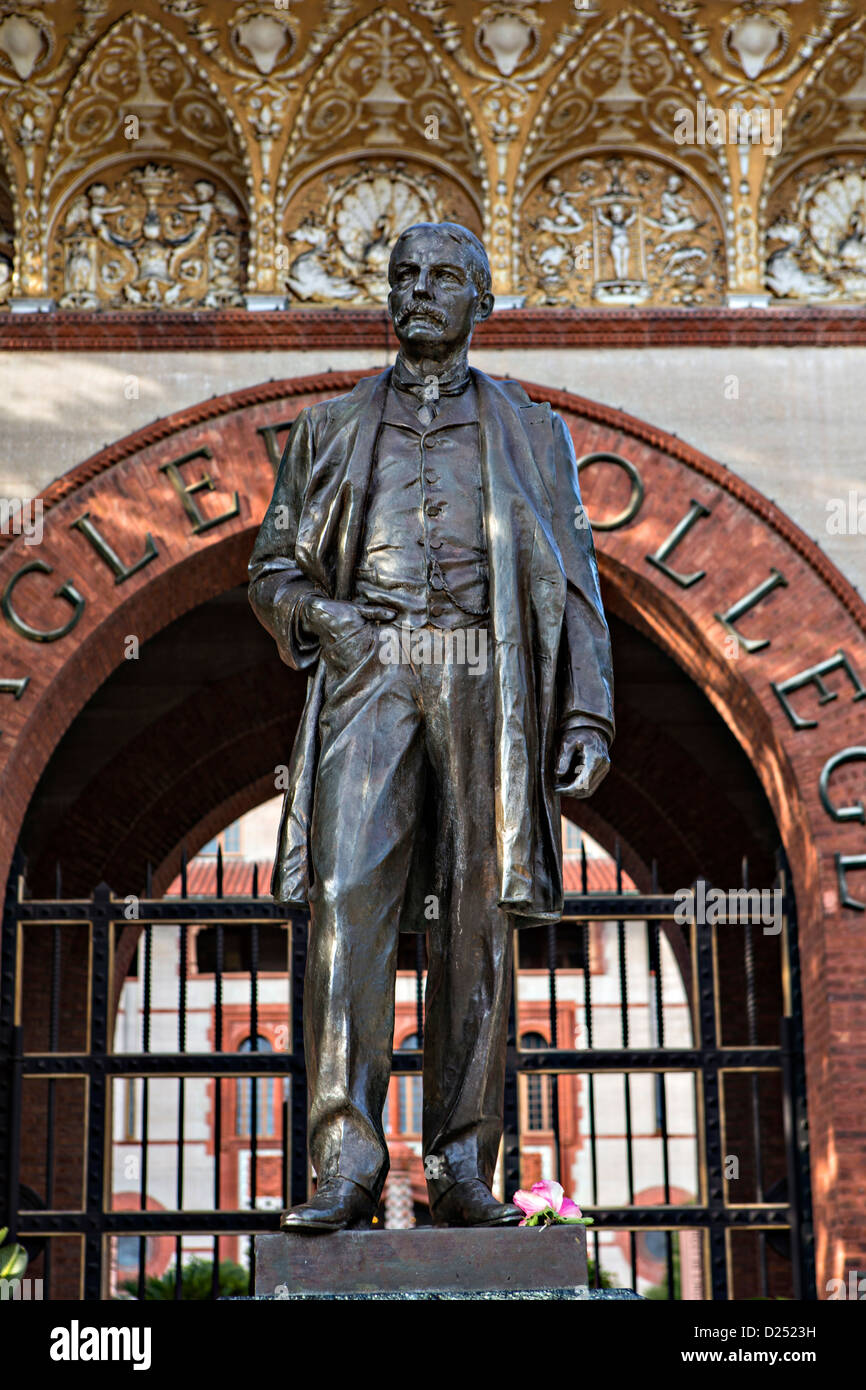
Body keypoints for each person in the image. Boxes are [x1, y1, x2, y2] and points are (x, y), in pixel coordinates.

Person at [248, 222, 614, 1231]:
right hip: (372, 669)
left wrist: (584, 709)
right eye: (401, 275)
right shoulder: (327, 427)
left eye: (441, 277)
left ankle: (463, 1162)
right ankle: (346, 1157)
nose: (416, 291)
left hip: (482, 674)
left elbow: (573, 579)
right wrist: (322, 615)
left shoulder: (531, 431)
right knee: (342, 899)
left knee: (476, 918)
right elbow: (271, 569)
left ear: (479, 302)